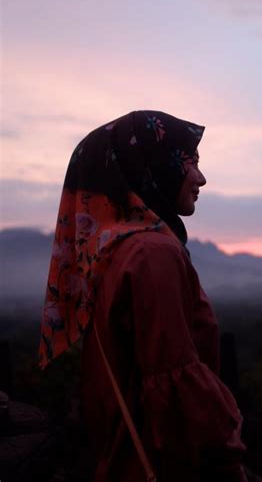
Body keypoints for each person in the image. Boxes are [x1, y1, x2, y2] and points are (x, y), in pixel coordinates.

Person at [38, 111, 248, 481]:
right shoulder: (152, 254)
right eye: (190, 163)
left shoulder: (112, 251)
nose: (201, 178)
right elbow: (178, 397)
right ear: (151, 167)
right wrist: (228, 464)